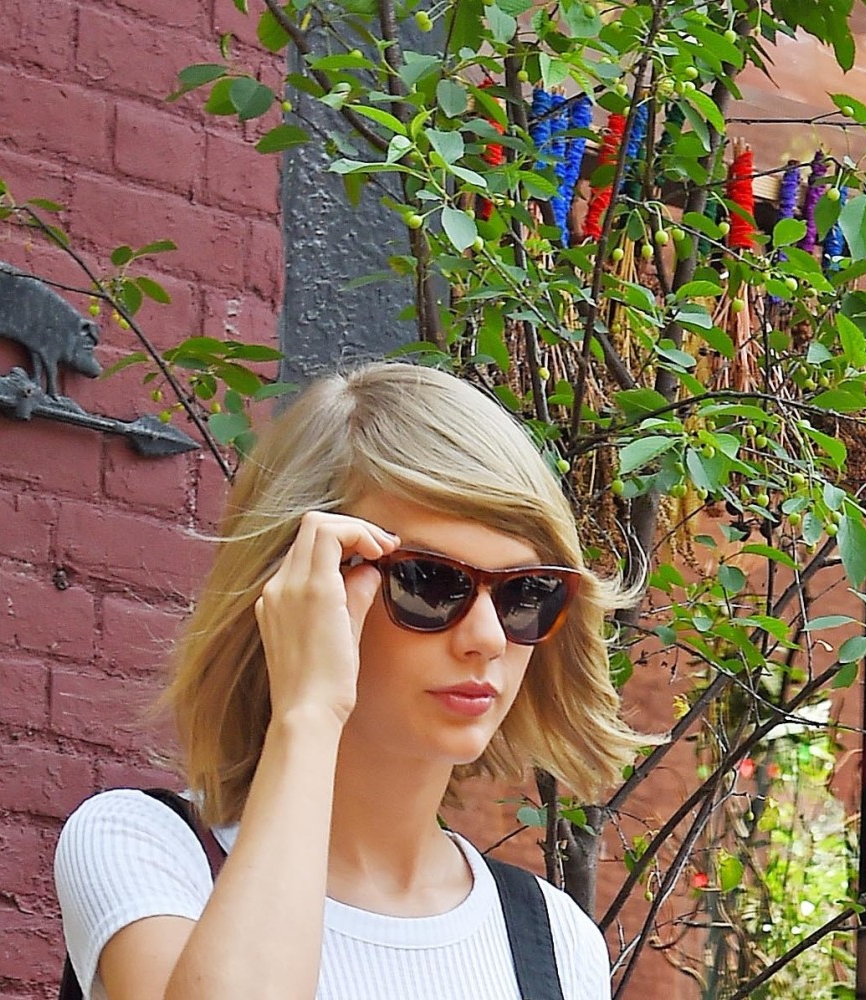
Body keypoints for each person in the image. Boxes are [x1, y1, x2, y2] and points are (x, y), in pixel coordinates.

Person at [54, 362, 647, 1000]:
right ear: (299, 591)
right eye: (428, 582)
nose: (488, 637)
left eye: (526, 593)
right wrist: (307, 713)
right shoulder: (150, 852)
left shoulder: (555, 946)